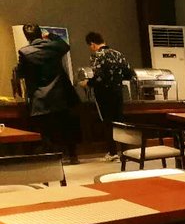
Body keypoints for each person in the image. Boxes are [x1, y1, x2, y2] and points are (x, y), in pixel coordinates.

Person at [15, 23, 80, 164]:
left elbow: (21, 73)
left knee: (46, 131)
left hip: (40, 97)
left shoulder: (24, 52)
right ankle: (73, 156)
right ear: (41, 33)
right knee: (66, 126)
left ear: (27, 37)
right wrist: (50, 35)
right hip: (61, 94)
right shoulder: (54, 46)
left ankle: (53, 159)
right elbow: (65, 46)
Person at [79, 31, 135, 162]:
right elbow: (129, 74)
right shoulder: (118, 54)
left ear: (92, 44)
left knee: (108, 122)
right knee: (120, 121)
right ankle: (125, 152)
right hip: (118, 92)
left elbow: (99, 77)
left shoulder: (97, 56)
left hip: (103, 94)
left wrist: (87, 83)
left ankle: (112, 152)